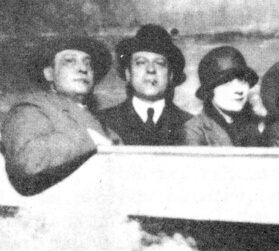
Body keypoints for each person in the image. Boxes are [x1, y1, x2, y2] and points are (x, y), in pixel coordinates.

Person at [1, 35, 121, 195]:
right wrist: (90, 137)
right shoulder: (31, 108)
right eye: (70, 61)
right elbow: (28, 160)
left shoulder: (103, 125)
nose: (83, 69)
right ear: (49, 74)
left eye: (88, 63)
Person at [99, 24, 192, 146]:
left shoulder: (190, 125)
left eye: (159, 63)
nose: (151, 69)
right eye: (141, 62)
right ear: (128, 74)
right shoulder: (102, 122)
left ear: (170, 76)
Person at [183, 46, 264, 146]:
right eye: (227, 83)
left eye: (242, 81)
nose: (239, 90)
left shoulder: (256, 127)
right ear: (210, 91)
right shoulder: (194, 130)